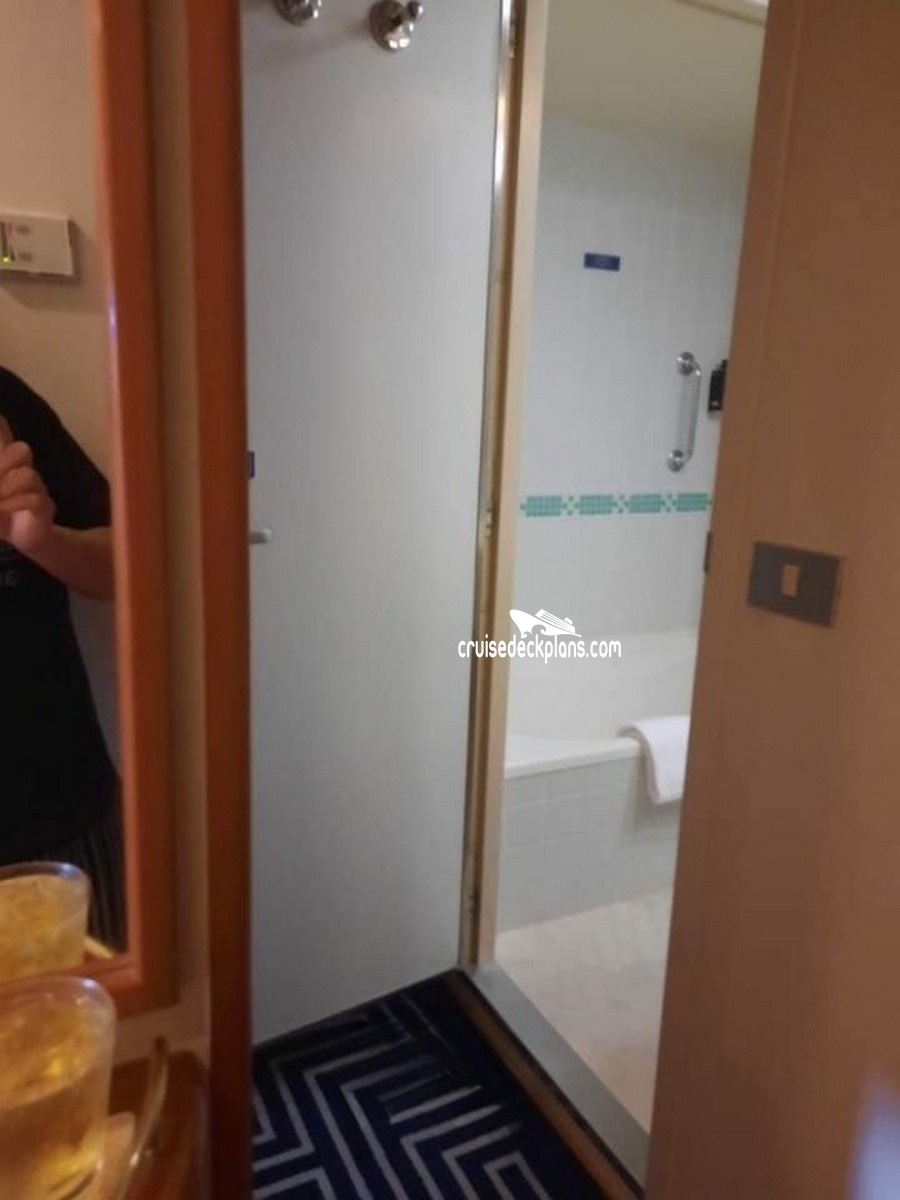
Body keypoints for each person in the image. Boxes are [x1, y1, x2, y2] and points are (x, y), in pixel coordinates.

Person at [0, 366, 124, 948]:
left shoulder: (5, 397)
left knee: (107, 1002)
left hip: (60, 810)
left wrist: (41, 540)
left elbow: (124, 566)